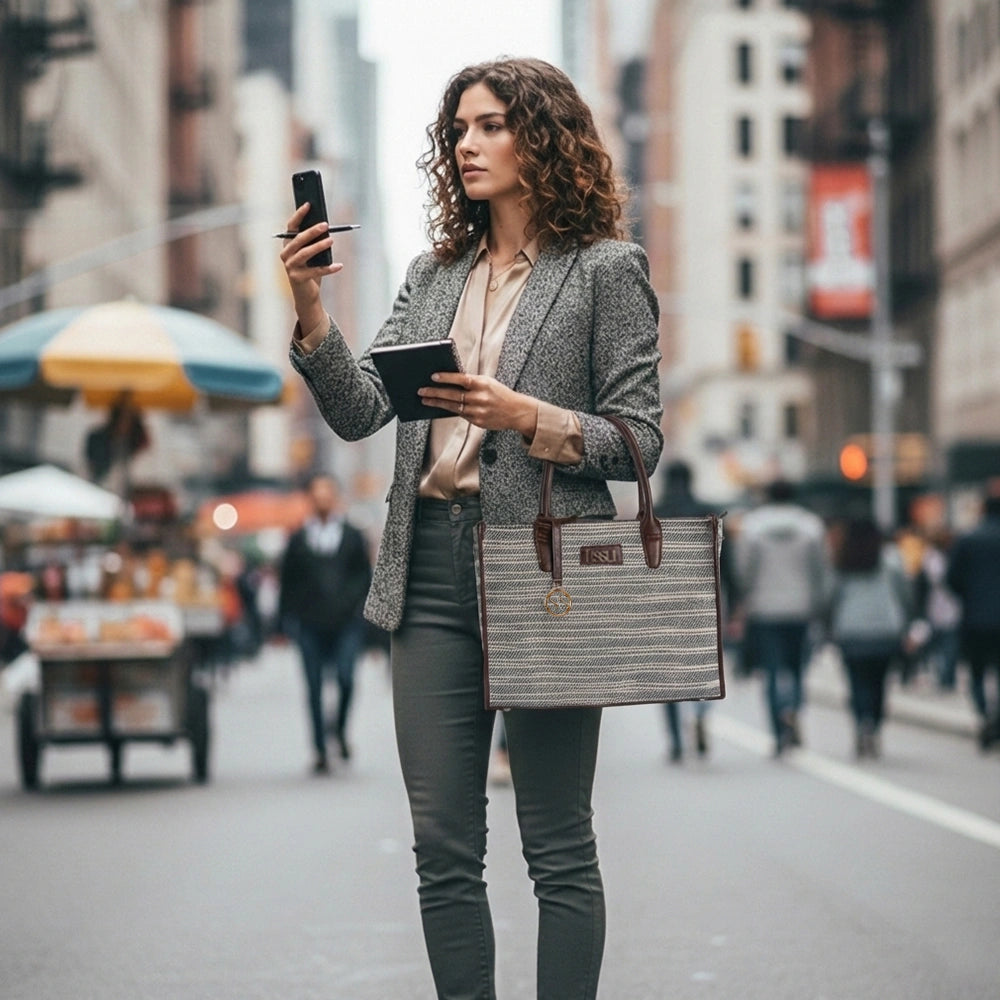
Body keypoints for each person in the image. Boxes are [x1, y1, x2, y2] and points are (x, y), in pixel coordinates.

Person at [280, 57, 662, 1000]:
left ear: (543, 138)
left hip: (547, 573)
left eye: (490, 125)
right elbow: (363, 411)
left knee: (558, 846)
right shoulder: (434, 271)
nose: (468, 144)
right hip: (432, 572)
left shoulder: (606, 270)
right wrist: (310, 304)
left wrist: (523, 414)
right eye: (458, 129)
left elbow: (640, 439)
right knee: (443, 847)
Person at [278, 474, 372, 772]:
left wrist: (356, 607)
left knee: (346, 679)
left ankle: (340, 730)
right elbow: (287, 582)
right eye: (316, 495)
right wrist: (285, 620)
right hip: (309, 624)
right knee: (314, 686)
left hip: (346, 623)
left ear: (335, 498)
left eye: (327, 494)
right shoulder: (297, 540)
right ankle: (319, 748)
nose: (322, 500)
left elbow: (363, 576)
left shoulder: (352, 536)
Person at [736, 478, 831, 755]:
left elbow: (744, 570)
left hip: (764, 608)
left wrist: (748, 595)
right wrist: (820, 603)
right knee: (798, 668)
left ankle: (779, 730)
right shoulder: (811, 526)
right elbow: (821, 569)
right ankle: (794, 708)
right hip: (801, 607)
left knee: (772, 671)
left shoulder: (752, 526)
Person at [828, 517, 913, 759]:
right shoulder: (891, 558)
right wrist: (907, 622)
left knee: (856, 683)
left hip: (851, 630)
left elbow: (830, 596)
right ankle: (873, 724)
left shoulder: (843, 559)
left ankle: (861, 723)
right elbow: (904, 594)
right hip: (885, 629)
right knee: (880, 682)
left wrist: (828, 623)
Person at [654, 460, 718, 762]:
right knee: (702, 666)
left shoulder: (654, 512)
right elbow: (722, 561)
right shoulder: (707, 511)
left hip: (665, 601)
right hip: (700, 598)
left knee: (667, 675)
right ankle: (700, 712)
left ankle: (676, 740)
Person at [946, 493, 1000, 751]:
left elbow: (951, 578)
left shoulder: (968, 539)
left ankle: (985, 716)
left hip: (975, 619)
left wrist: (968, 596)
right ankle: (996, 719)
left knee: (976, 674)